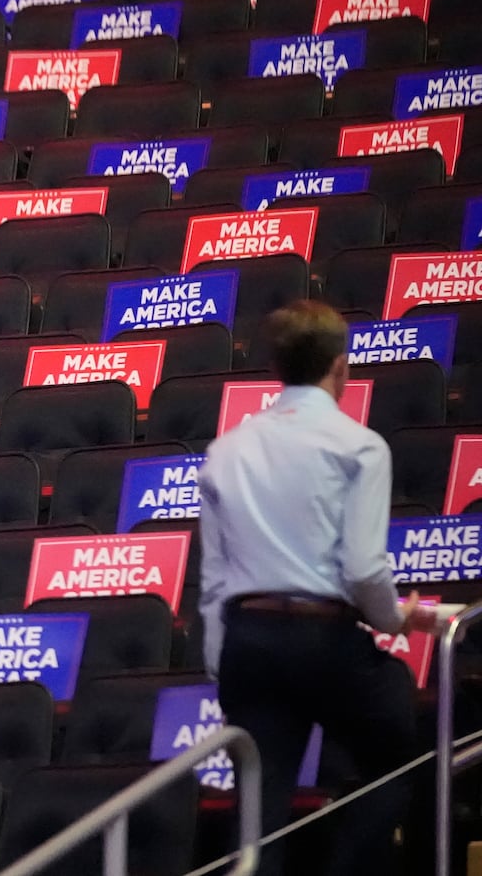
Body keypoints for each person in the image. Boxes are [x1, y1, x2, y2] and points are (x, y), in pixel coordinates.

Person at [199, 299, 438, 876]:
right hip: (322, 639)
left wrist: (221, 659)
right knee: (400, 756)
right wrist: (392, 620)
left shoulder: (226, 449)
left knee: (259, 808)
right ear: (341, 366)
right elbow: (361, 569)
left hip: (246, 642)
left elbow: (213, 576)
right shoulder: (359, 446)